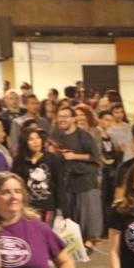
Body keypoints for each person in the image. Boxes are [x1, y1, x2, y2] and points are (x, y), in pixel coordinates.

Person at [51, 104, 102, 248]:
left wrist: (74, 156)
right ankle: (75, 243)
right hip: (66, 179)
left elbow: (94, 156)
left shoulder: (83, 135)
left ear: (73, 119)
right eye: (60, 116)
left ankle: (89, 240)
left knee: (86, 213)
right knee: (70, 212)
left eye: (66, 116)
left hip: (85, 177)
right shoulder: (56, 134)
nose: (62, 120)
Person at [11, 128, 67, 224]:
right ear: (25, 142)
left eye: (37, 138)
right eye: (31, 139)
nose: (35, 142)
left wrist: (61, 208)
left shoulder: (52, 158)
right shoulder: (19, 161)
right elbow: (17, 185)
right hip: (28, 207)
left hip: (48, 206)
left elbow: (60, 184)